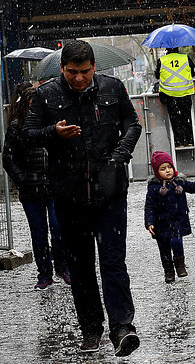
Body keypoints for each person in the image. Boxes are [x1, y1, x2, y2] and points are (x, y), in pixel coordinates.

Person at [23, 40, 142, 356]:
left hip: (110, 192)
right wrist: (53, 132)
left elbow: (132, 125)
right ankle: (91, 329)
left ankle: (122, 328)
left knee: (113, 261)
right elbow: (27, 135)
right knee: (81, 267)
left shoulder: (112, 88)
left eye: (85, 72)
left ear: (94, 67)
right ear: (62, 68)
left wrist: (120, 155)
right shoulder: (47, 95)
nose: (79, 78)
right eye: (73, 72)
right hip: (69, 195)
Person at [2, 82, 71, 290]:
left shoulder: (51, 125)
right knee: (39, 233)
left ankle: (62, 267)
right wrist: (23, 179)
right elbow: (8, 158)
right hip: (31, 189)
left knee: (58, 228)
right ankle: (44, 273)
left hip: (53, 186)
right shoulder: (17, 127)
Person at [145, 151, 195, 283]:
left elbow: (193, 187)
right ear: (157, 172)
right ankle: (168, 271)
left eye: (169, 167)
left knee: (177, 242)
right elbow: (149, 207)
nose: (167, 171)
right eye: (163, 169)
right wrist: (149, 222)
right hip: (161, 223)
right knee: (164, 249)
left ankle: (180, 265)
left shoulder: (179, 182)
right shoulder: (154, 188)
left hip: (177, 221)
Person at [155, 47, 195, 147]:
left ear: (167, 50)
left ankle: (179, 142)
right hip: (185, 94)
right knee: (187, 118)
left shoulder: (162, 60)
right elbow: (193, 72)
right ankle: (190, 140)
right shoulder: (185, 58)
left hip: (170, 95)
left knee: (175, 119)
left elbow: (157, 76)